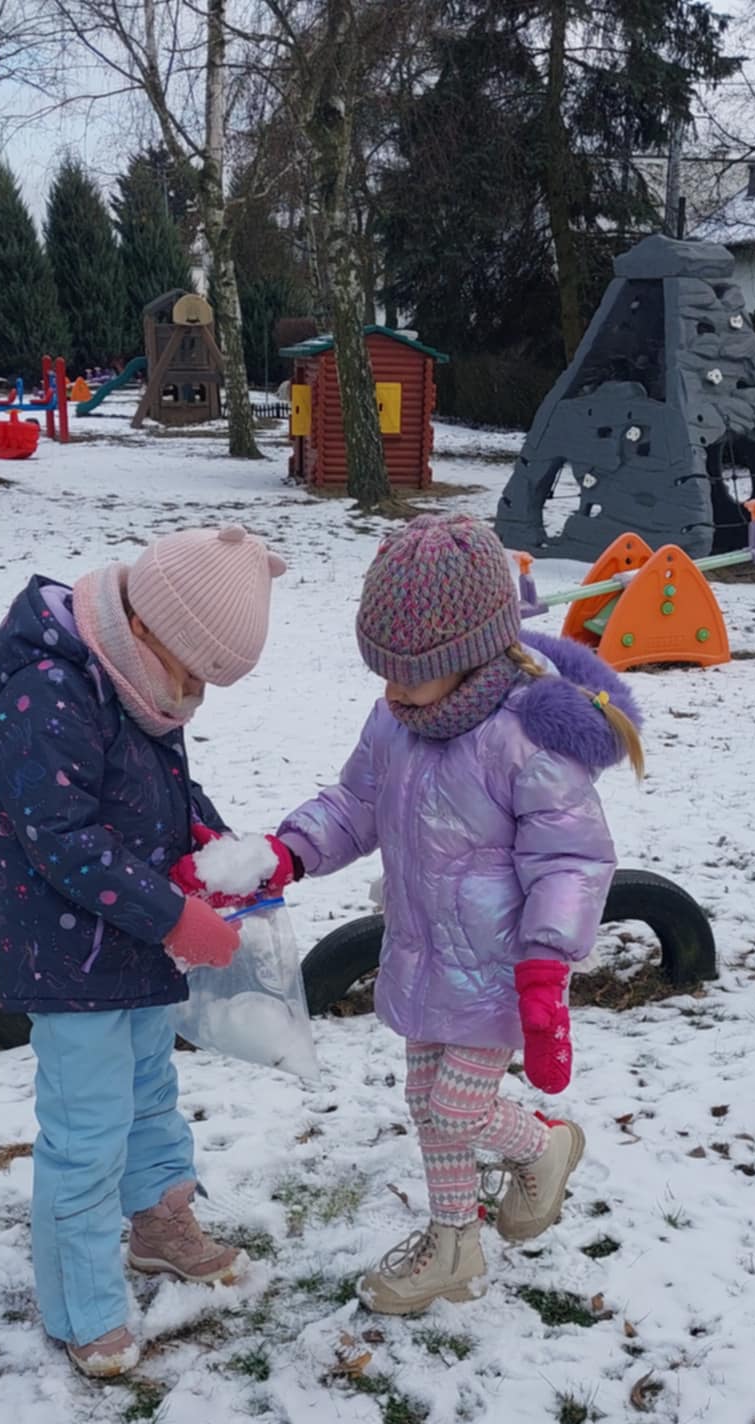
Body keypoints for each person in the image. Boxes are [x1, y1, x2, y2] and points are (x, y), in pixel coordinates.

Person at [270, 513, 642, 1315]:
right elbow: (356, 803)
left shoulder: (525, 740)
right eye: (384, 672)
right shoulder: (395, 722)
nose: (392, 690)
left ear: (469, 655)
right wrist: (290, 850)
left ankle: (545, 1147)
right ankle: (454, 1247)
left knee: (457, 1106)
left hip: (506, 968)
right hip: (423, 952)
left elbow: (572, 859)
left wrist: (545, 966)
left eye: (410, 674)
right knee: (424, 1103)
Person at [0, 525, 289, 1378]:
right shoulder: (45, 698)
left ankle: (158, 1224)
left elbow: (163, 789)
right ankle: (82, 1307)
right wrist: (175, 917)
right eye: (192, 673)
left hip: (138, 951)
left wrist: (213, 843)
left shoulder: (136, 681)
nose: (193, 696)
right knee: (86, 1132)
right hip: (70, 961)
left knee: (152, 1095)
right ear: (146, 627)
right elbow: (63, 838)